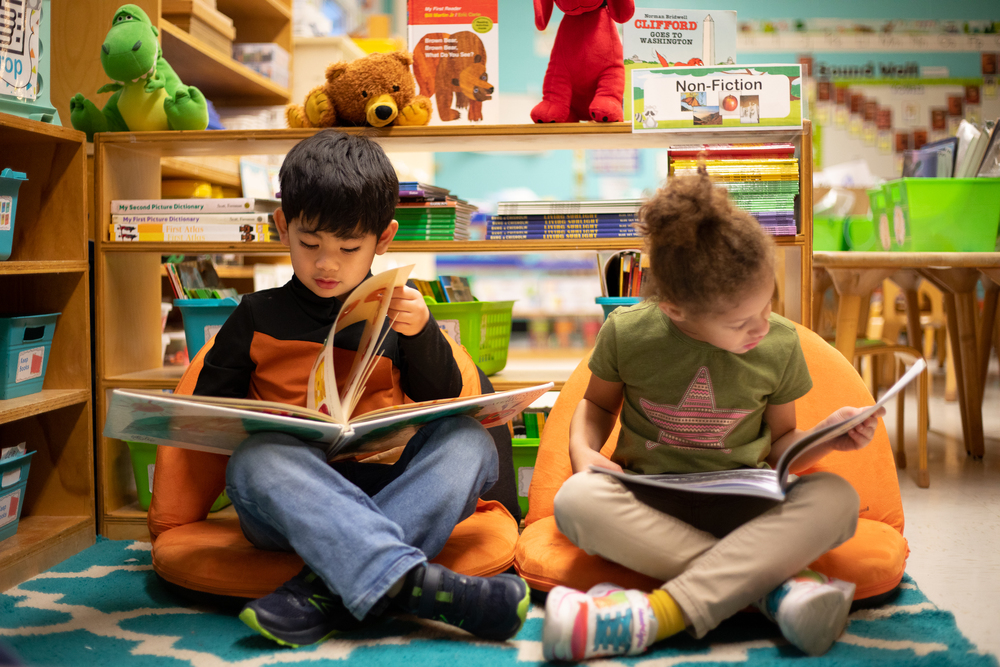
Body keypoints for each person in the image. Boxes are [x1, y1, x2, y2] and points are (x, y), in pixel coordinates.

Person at [193, 130, 529, 648]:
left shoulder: (400, 313)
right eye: (310, 244)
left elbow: (441, 394)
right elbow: (207, 413)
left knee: (468, 443)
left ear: (384, 239)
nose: (327, 264)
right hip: (293, 503)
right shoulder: (255, 315)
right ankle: (419, 586)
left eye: (349, 247)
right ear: (283, 227)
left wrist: (423, 333)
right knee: (254, 460)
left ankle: (326, 589)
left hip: (393, 487)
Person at [542, 168, 884, 660]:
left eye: (767, 308)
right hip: (650, 504)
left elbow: (783, 444)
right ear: (677, 309)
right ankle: (777, 588)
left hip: (747, 507)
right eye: (742, 322)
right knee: (575, 499)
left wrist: (826, 439)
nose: (762, 328)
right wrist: (582, 450)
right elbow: (596, 405)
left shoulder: (781, 345)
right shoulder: (628, 332)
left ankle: (654, 615)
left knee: (838, 498)